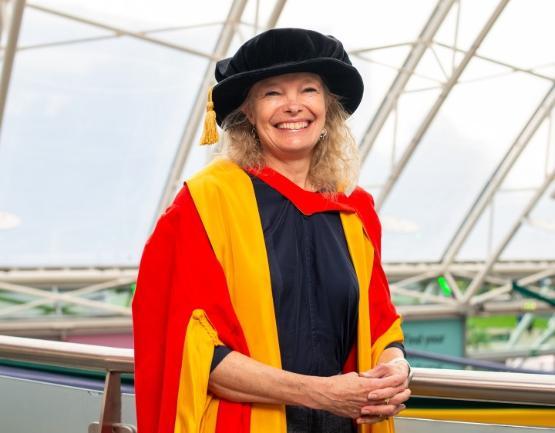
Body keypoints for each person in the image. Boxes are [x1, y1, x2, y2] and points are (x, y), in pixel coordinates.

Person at [132, 28, 411, 433]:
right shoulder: (207, 204)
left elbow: (381, 324)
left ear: (329, 107)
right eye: (272, 93)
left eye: (309, 90)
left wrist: (396, 367)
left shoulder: (355, 209)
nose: (293, 106)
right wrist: (319, 392)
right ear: (247, 111)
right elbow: (191, 351)